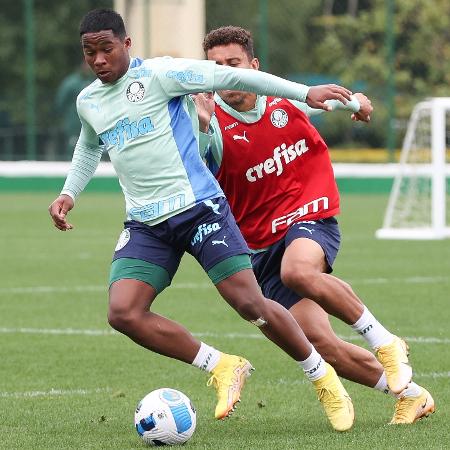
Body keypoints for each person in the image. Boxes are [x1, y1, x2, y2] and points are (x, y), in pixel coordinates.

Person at [47, 8, 365, 432]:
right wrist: (69, 193)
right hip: (145, 223)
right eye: (90, 53)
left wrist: (304, 93)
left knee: (251, 304)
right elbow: (89, 147)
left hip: (199, 208)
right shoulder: (88, 101)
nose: (99, 59)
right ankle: (221, 366)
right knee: (123, 312)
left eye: (106, 49)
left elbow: (236, 78)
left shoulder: (162, 75)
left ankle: (323, 378)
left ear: (126, 44)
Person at [198, 25, 435, 425]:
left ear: (253, 66)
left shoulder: (286, 99)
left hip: (309, 214)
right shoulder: (210, 121)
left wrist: (358, 103)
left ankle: (385, 341)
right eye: (216, 68)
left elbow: (340, 102)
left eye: (233, 64)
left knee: (298, 270)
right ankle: (413, 396)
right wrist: (202, 126)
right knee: (321, 343)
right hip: (260, 243)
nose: (225, 75)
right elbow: (199, 157)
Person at [55, 61, 94, 156]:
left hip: (93, 123)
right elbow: (60, 103)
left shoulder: (96, 82)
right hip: (74, 124)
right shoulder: (71, 83)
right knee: (74, 148)